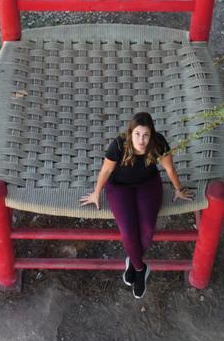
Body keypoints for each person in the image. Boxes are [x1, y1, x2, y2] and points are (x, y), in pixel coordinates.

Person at [79, 112, 193, 298]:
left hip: (148, 184)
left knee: (147, 231)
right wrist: (96, 193)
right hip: (119, 187)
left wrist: (178, 189)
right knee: (128, 231)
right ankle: (140, 269)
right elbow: (107, 169)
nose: (141, 140)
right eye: (137, 134)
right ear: (130, 133)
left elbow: (169, 168)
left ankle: (133, 262)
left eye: (146, 134)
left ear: (152, 134)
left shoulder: (158, 143)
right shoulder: (118, 145)